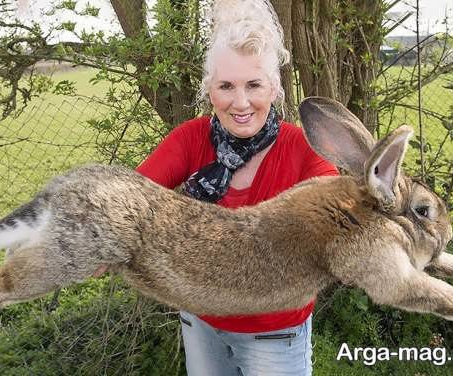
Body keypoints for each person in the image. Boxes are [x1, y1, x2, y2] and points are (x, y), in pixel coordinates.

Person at [100, 1, 338, 374]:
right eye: (226, 86)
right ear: (209, 90)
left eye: (254, 85)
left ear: (274, 88)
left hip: (274, 334)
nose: (240, 102)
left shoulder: (302, 150)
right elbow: (126, 198)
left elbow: (333, 222)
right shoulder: (191, 139)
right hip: (201, 323)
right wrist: (98, 240)